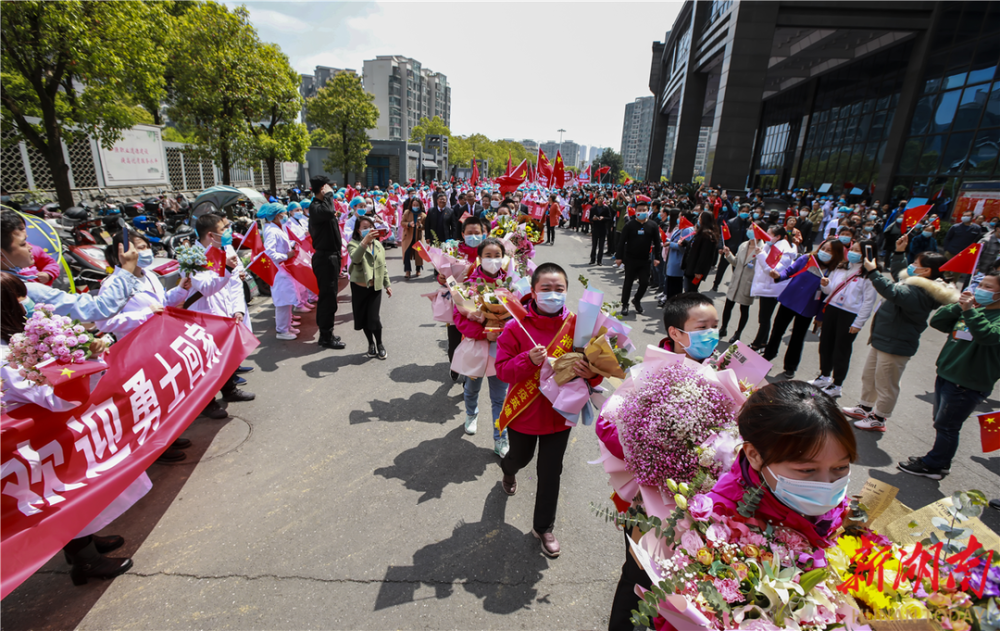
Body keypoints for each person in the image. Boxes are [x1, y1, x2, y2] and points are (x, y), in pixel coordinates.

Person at [0, 272, 140, 586]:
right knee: (56, 493)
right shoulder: (8, 357)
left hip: (49, 436)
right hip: (35, 443)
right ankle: (85, 561)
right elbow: (55, 398)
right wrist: (82, 360)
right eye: (20, 299)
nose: (28, 304)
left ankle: (86, 539)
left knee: (70, 487)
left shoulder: (16, 343)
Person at [605, 292, 719, 631]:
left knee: (683, 578)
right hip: (652, 499)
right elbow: (609, 426)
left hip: (700, 500)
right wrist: (658, 453)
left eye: (716, 326)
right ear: (676, 333)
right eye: (702, 327)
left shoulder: (719, 372)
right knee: (638, 573)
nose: (711, 334)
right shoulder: (648, 376)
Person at [495, 263, 601, 558]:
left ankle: (543, 527)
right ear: (533, 291)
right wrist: (527, 360)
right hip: (525, 413)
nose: (553, 295)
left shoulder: (581, 326)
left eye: (559, 289)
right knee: (521, 457)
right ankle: (508, 469)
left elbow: (599, 370)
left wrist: (589, 372)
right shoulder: (515, 327)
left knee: (551, 471)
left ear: (567, 292)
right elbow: (502, 371)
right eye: (546, 289)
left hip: (560, 414)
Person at [710, 380, 856, 548]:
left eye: (840, 467)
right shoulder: (718, 521)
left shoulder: (842, 505)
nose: (827, 484)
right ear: (755, 455)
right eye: (808, 470)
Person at [95, 230, 194, 462]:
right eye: (137, 247)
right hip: (135, 349)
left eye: (145, 246)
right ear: (120, 253)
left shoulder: (148, 275)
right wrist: (143, 315)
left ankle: (168, 436)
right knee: (148, 400)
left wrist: (181, 289)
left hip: (159, 343)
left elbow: (162, 303)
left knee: (166, 393)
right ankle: (155, 447)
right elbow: (104, 321)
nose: (144, 251)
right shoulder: (113, 284)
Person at [844, 237, 955, 432]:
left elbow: (890, 290)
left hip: (896, 344)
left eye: (915, 264)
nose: (911, 266)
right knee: (870, 376)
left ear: (926, 271)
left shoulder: (922, 293)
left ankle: (879, 417)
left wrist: (873, 271)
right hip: (883, 339)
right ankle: (864, 407)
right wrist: (898, 253)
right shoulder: (915, 284)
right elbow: (899, 275)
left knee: (886, 383)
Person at [898, 270, 1000, 479]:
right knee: (941, 421)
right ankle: (940, 460)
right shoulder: (973, 308)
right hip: (947, 373)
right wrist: (960, 305)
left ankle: (934, 464)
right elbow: (938, 322)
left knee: (947, 425)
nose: (981, 290)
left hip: (968, 382)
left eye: (988, 288)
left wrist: (970, 311)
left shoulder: (992, 316)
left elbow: (987, 335)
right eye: (980, 285)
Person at [1, 210, 141, 320]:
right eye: (23, 243)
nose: (31, 247)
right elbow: (99, 307)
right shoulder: (24, 289)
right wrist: (127, 269)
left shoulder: (18, 280)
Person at [188, 213, 256, 417]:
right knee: (207, 361)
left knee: (225, 355)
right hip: (205, 314)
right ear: (211, 235)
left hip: (227, 311)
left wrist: (238, 309)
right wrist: (227, 267)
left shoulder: (225, 248)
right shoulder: (194, 257)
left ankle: (229, 390)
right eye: (224, 229)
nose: (228, 232)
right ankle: (207, 403)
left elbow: (235, 281)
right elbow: (207, 288)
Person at [453, 237, 510, 456]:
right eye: (488, 256)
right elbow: (459, 318)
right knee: (472, 387)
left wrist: (502, 331)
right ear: (479, 258)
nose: (493, 260)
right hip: (477, 347)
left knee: (499, 397)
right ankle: (471, 413)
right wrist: (483, 330)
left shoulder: (512, 283)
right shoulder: (467, 284)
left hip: (501, 351)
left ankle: (500, 438)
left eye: (497, 256)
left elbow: (519, 317)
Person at [763, 238, 845, 379]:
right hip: (789, 300)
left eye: (829, 250)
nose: (824, 252)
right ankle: (767, 356)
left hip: (807, 308)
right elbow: (789, 271)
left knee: (797, 338)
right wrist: (778, 276)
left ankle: (790, 366)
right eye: (823, 248)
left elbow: (827, 298)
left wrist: (820, 317)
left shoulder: (834, 272)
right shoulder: (808, 259)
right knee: (777, 331)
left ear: (836, 254)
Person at [810, 240, 878, 397]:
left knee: (841, 350)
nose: (852, 252)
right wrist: (825, 285)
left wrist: (858, 323)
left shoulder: (869, 275)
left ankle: (837, 384)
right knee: (825, 344)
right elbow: (829, 290)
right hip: (832, 309)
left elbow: (868, 302)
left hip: (850, 314)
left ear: (867, 254)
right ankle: (824, 376)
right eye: (852, 249)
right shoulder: (841, 267)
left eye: (857, 251)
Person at [307, 176, 346, 350]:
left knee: (330, 298)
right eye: (329, 187)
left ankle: (327, 333)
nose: (333, 190)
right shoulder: (316, 207)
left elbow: (330, 213)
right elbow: (328, 211)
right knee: (327, 299)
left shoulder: (321, 208)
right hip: (325, 258)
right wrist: (329, 196)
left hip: (331, 256)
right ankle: (325, 336)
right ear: (323, 188)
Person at [347, 214, 391, 359]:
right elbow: (355, 258)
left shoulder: (378, 245)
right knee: (363, 318)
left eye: (370, 227)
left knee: (374, 318)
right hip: (359, 288)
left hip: (375, 288)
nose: (369, 230)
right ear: (359, 231)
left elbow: (382, 266)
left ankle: (379, 343)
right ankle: (370, 343)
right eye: (365, 228)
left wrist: (387, 284)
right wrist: (364, 242)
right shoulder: (354, 244)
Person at [748, 226, 796, 351]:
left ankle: (757, 344)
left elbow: (772, 270)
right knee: (764, 317)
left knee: (764, 318)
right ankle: (762, 342)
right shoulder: (770, 246)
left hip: (772, 289)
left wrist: (761, 255)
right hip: (767, 287)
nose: (766, 236)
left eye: (769, 234)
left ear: (778, 236)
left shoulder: (784, 251)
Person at [259, 203, 300, 341]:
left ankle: (287, 326)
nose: (285, 216)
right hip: (278, 270)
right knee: (283, 301)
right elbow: (270, 253)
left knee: (287, 299)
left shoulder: (276, 227)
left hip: (284, 269)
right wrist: (286, 256)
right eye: (283, 213)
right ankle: (282, 330)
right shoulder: (271, 230)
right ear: (277, 215)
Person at [615, 197, 661, 316]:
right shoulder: (630, 225)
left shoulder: (653, 225)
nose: (642, 212)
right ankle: (625, 304)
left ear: (648, 210)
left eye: (644, 210)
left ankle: (637, 300)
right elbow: (621, 242)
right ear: (635, 211)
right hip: (630, 259)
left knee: (644, 283)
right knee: (628, 283)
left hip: (645, 260)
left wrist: (658, 258)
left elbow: (657, 242)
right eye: (639, 210)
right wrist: (619, 257)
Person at [718, 229, 758, 343]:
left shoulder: (762, 249)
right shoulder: (743, 245)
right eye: (749, 228)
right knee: (728, 306)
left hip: (748, 283)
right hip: (736, 281)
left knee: (744, 309)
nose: (749, 230)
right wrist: (728, 254)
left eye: (752, 229)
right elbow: (736, 262)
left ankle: (738, 333)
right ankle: (723, 328)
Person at [711, 204, 751, 292]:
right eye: (743, 211)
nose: (745, 213)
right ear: (739, 211)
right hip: (729, 250)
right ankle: (715, 285)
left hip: (741, 251)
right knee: (721, 269)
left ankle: (735, 287)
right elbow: (723, 236)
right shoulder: (731, 222)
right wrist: (721, 247)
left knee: (737, 271)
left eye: (747, 212)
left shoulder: (749, 224)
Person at [661, 211, 695, 304]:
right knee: (670, 284)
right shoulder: (679, 229)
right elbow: (674, 240)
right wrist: (666, 240)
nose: (678, 219)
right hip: (671, 260)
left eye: (680, 217)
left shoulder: (688, 230)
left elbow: (684, 247)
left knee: (675, 287)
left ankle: (674, 304)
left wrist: (670, 244)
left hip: (677, 262)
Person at [682, 210, 719, 292]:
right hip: (691, 265)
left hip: (695, 269)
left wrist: (698, 271)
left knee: (691, 290)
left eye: (699, 218)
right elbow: (695, 246)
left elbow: (704, 255)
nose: (698, 220)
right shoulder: (700, 232)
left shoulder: (707, 236)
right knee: (688, 288)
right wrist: (685, 243)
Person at [401, 197, 425, 280]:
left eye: (417, 205)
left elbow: (425, 226)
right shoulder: (407, 212)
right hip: (408, 237)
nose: (415, 206)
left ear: (420, 205)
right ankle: (407, 270)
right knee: (406, 253)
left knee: (418, 253)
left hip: (417, 237)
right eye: (414, 205)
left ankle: (418, 269)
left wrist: (420, 226)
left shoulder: (423, 215)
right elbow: (402, 222)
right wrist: (408, 224)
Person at [588, 194, 611, 265]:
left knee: (601, 246)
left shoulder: (606, 208)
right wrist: (593, 219)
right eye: (599, 198)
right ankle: (592, 259)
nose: (600, 200)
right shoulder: (593, 208)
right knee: (594, 245)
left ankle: (599, 260)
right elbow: (590, 218)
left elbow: (609, 217)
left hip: (603, 229)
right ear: (597, 199)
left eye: (602, 199)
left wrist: (603, 218)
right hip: (595, 229)